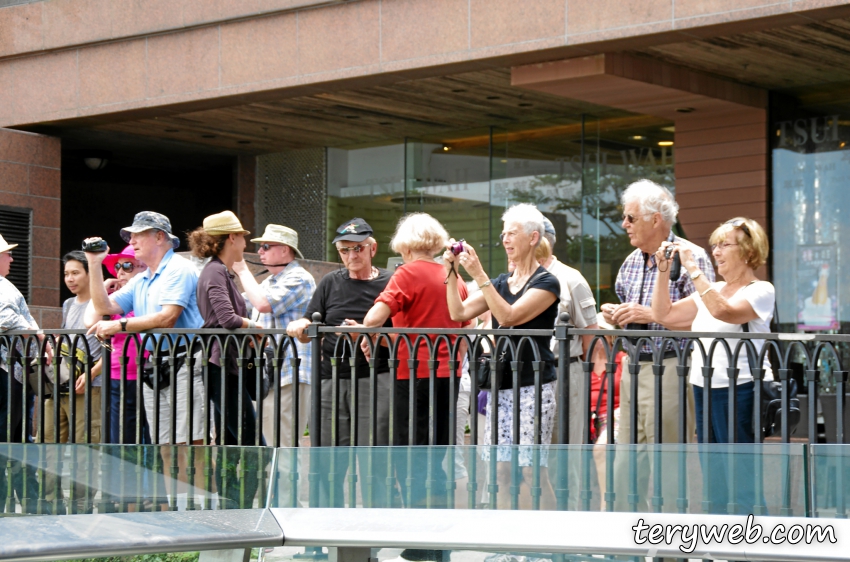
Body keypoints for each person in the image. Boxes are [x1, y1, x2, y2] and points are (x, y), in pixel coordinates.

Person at [600, 179, 714, 512]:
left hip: (671, 365)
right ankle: (627, 545)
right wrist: (615, 314)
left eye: (630, 218)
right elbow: (629, 312)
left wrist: (647, 313)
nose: (624, 225)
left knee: (667, 464)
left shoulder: (691, 257)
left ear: (655, 219)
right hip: (633, 367)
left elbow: (706, 315)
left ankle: (670, 549)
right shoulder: (631, 262)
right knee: (625, 465)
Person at [651, 217, 773, 514]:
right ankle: (720, 551)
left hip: (741, 388)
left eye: (723, 245)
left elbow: (725, 312)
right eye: (714, 245)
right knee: (714, 477)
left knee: (742, 476)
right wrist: (663, 271)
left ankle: (755, 547)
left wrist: (693, 267)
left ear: (746, 251)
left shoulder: (761, 290)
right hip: (704, 387)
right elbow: (663, 314)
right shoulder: (712, 288)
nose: (715, 252)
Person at [85, 211, 206, 506]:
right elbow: (105, 306)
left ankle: (202, 513)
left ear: (160, 237)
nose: (132, 240)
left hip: (184, 360)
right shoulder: (144, 279)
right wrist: (93, 264)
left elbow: (168, 317)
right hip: (154, 365)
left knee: (190, 444)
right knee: (165, 445)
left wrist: (119, 325)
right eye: (131, 235)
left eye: (139, 234)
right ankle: (173, 512)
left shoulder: (178, 268)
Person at [444, 203, 560, 510]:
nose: (505, 239)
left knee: (532, 471)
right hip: (502, 385)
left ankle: (550, 547)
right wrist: (451, 272)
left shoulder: (547, 282)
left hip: (534, 386)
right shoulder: (499, 282)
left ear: (533, 238)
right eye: (503, 232)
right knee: (503, 469)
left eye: (512, 232)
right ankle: (512, 548)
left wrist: (478, 273)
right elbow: (458, 312)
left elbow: (508, 316)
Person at [356, 213, 470, 517]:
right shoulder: (453, 277)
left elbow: (371, 320)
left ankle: (421, 535)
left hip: (413, 373)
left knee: (411, 454)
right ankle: (439, 534)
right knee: (436, 454)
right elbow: (465, 326)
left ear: (405, 245)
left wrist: (375, 336)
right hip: (450, 374)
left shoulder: (406, 274)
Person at [286, 218, 393, 508]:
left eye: (358, 248)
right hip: (330, 377)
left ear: (373, 248)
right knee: (326, 459)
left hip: (376, 377)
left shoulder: (389, 281)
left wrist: (369, 333)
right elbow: (311, 322)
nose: (351, 256)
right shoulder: (330, 281)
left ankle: (375, 531)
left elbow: (401, 335)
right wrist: (301, 324)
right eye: (344, 250)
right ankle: (322, 534)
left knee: (374, 458)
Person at [189, 210, 264, 508]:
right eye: (242, 235)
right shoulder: (215, 271)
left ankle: (231, 510)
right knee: (252, 444)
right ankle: (240, 511)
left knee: (233, 443)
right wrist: (256, 327)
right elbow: (226, 318)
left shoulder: (218, 270)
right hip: (221, 365)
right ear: (231, 237)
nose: (245, 241)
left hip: (223, 364)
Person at [233, 223, 315, 448]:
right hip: (269, 373)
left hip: (290, 372)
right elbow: (238, 302)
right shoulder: (269, 282)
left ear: (285, 250)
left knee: (284, 445)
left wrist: (241, 270)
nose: (260, 252)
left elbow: (263, 303)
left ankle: (285, 485)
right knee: (269, 444)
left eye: (266, 246)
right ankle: (275, 484)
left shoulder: (299, 278)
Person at [42, 251, 104, 514]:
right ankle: (50, 505)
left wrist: (90, 374)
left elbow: (113, 348)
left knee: (84, 449)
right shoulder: (68, 305)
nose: (70, 278)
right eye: (66, 273)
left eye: (75, 272)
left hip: (90, 386)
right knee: (49, 443)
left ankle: (81, 507)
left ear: (90, 273)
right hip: (61, 383)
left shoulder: (103, 304)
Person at [0, 234, 44, 513]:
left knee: (16, 438)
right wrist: (37, 333)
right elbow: (3, 317)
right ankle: (27, 501)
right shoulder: (2, 286)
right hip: (6, 373)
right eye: (7, 253)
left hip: (11, 372)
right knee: (13, 439)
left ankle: (26, 500)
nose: (12, 258)